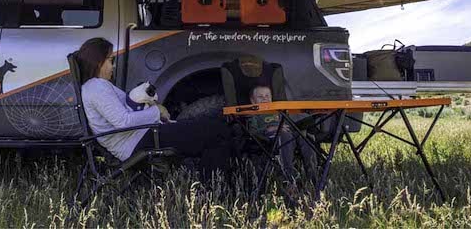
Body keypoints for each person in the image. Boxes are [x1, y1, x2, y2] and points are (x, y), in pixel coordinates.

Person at [78, 37, 234, 181]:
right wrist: (155, 112)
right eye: (111, 60)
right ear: (98, 62)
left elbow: (126, 110)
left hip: (141, 135)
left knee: (209, 126)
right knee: (216, 131)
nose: (113, 65)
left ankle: (210, 181)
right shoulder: (97, 87)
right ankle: (213, 187)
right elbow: (122, 121)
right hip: (138, 142)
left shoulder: (95, 86)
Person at [248, 84, 318, 179]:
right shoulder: (253, 114)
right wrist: (269, 129)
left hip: (288, 135)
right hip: (270, 137)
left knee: (306, 136)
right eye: (260, 97)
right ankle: (289, 176)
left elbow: (287, 125)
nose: (264, 99)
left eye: (267, 96)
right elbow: (252, 132)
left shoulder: (278, 111)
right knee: (284, 135)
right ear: (253, 101)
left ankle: (313, 175)